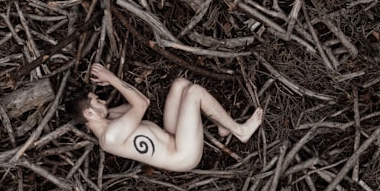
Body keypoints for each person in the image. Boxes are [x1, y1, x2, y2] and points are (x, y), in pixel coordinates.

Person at [69, 63, 264, 172]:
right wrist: (112, 79)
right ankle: (240, 131)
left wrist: (112, 97)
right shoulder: (110, 137)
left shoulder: (111, 119)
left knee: (180, 85)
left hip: (172, 135)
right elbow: (142, 104)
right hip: (183, 154)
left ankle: (222, 125)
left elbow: (138, 101)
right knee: (194, 92)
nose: (103, 101)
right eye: (97, 102)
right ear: (89, 113)